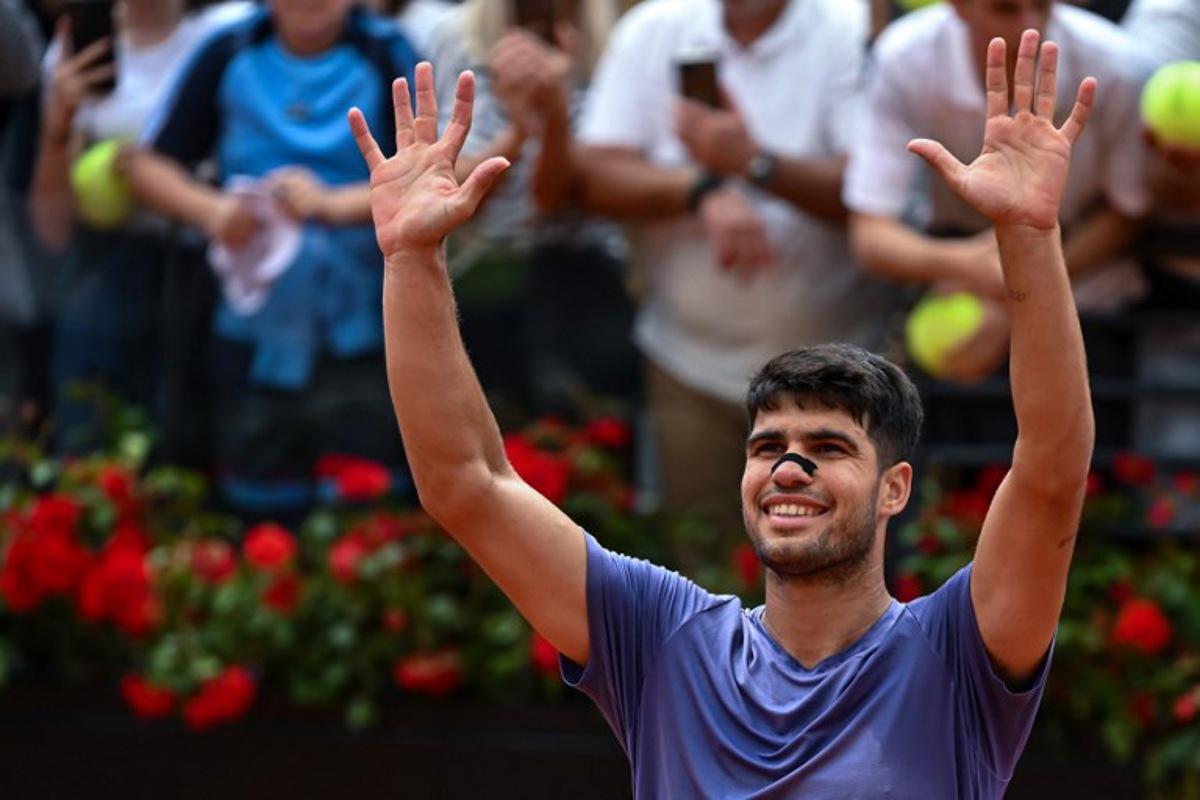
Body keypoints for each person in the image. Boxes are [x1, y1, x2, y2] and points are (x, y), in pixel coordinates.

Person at [349, 24, 1096, 795]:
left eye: (830, 447)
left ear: (895, 489)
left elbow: (1048, 470)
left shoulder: (957, 653)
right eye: (767, 445)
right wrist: (410, 259)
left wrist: (1029, 234)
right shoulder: (661, 637)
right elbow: (466, 483)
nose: (790, 465)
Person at [573, 0, 899, 536]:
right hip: (689, 367)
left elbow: (876, 190)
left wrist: (754, 162)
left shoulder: (849, 27)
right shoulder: (653, 28)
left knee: (836, 569)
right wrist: (699, 189)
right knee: (700, 574)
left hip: (841, 375)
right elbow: (593, 178)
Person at [127, 0, 418, 516]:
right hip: (249, 334)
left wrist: (333, 206)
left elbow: (437, 171)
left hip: (365, 333)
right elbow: (145, 166)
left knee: (366, 512)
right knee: (258, 507)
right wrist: (213, 211)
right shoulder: (229, 51)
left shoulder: (385, 53)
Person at [846, 0, 1153, 381]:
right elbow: (871, 236)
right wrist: (966, 264)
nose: (1031, 27)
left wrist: (1020, 287)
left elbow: (1130, 213)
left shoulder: (1118, 65)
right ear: (957, 7)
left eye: (1041, 6)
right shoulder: (902, 57)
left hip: (1088, 302)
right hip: (958, 293)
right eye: (1005, 9)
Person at [29, 0, 251, 450]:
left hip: (214, 269)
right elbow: (51, 230)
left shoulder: (233, 32)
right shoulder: (75, 48)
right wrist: (58, 127)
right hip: (107, 271)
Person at [423, 0, 635, 420]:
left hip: (585, 281)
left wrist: (553, 117)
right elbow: (447, 186)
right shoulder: (456, 35)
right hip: (480, 276)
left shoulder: (616, 40)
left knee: (587, 451)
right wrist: (518, 132)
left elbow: (555, 199)